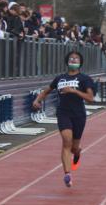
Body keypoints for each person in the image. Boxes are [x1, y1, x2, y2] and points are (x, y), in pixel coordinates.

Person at [32, 51, 97, 188]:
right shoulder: (60, 78)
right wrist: (37, 100)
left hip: (78, 115)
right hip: (63, 113)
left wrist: (74, 91)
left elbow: (90, 98)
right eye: (71, 58)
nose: (73, 60)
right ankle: (67, 174)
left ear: (80, 62)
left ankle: (77, 152)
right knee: (66, 141)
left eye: (76, 58)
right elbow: (47, 91)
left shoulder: (85, 79)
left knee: (74, 148)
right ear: (67, 61)